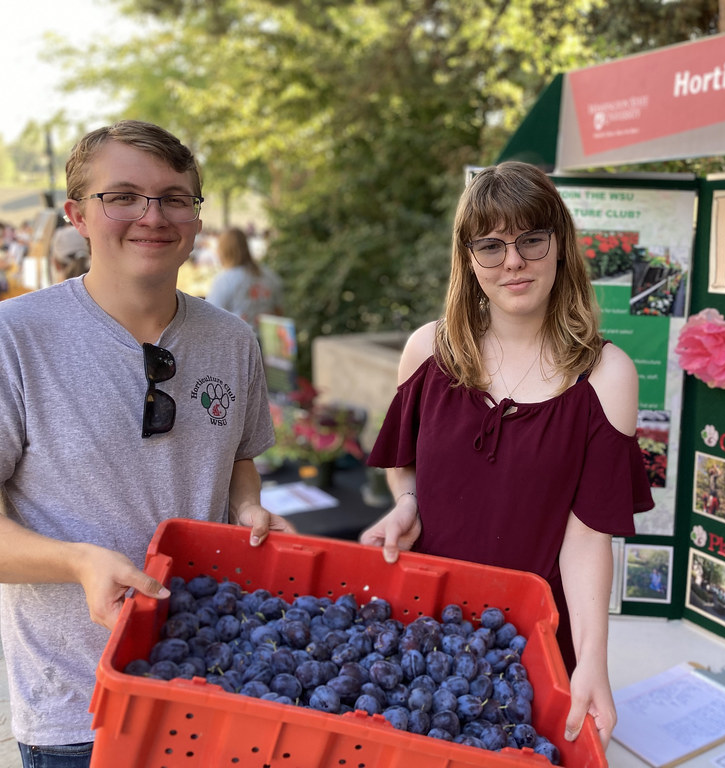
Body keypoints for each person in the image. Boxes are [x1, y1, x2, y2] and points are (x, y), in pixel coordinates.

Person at [0, 120, 295, 766]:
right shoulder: (15, 339)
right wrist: (80, 563)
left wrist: (247, 509)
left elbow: (238, 455)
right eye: (123, 196)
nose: (152, 216)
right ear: (78, 214)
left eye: (174, 197)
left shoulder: (231, 339)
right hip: (81, 711)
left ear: (196, 217)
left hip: (219, 686)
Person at [358, 160, 653, 750]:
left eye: (530, 240)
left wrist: (593, 659)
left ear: (561, 245)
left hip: (534, 646)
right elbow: (403, 462)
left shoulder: (607, 376)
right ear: (469, 260)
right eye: (490, 246)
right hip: (423, 634)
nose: (512, 261)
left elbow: (589, 537)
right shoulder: (427, 350)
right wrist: (407, 501)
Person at [205, 226, 284, 334]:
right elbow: (279, 312)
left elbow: (210, 318)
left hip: (239, 344)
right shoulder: (269, 275)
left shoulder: (224, 280)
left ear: (223, 250)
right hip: (268, 343)